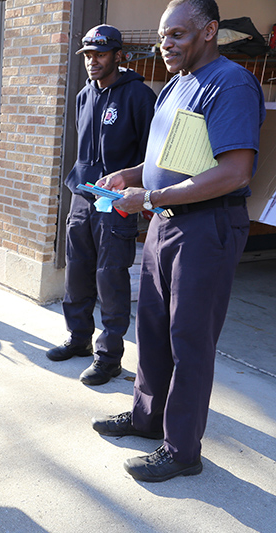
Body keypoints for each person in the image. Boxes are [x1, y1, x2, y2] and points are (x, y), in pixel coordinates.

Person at [91, 0, 265, 482]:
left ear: (209, 31)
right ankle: (148, 419)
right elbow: (170, 158)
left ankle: (182, 449)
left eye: (177, 35)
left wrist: (150, 195)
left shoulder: (229, 83)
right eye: (163, 36)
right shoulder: (176, 85)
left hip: (206, 227)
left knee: (189, 340)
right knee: (151, 328)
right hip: (166, 221)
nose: (165, 45)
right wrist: (128, 176)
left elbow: (234, 171)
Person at [45, 25, 156, 386]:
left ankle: (108, 357)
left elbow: (151, 157)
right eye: (88, 55)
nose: (93, 61)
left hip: (117, 203)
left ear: (118, 55)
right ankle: (79, 338)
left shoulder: (139, 95)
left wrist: (137, 192)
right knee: (77, 270)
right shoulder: (84, 96)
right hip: (82, 196)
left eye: (101, 54)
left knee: (110, 276)